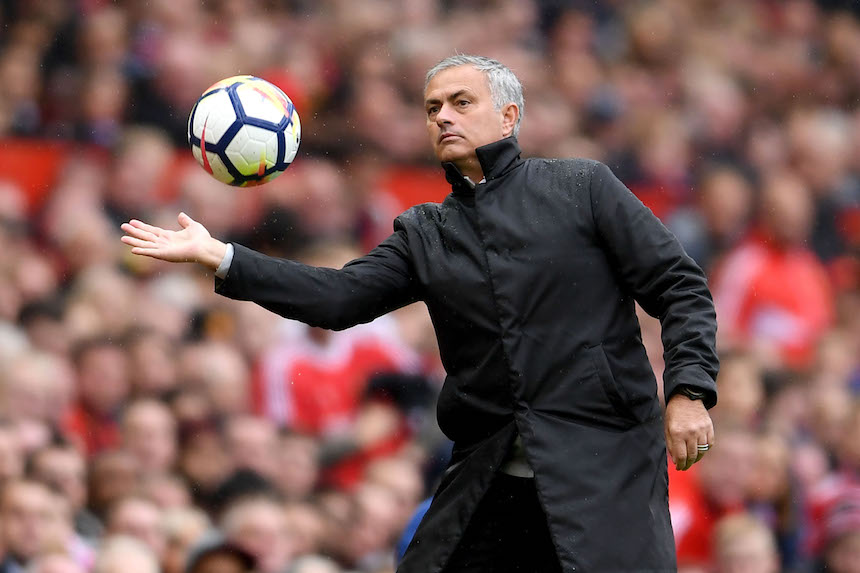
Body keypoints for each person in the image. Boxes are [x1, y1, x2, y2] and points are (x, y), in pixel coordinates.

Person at [121, 55, 719, 572]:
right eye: (433, 108)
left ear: (509, 117)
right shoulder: (426, 231)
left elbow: (679, 285)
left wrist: (689, 390)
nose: (443, 117)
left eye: (461, 102)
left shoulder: (582, 187)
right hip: (488, 476)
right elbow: (339, 298)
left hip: (604, 467)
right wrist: (223, 256)